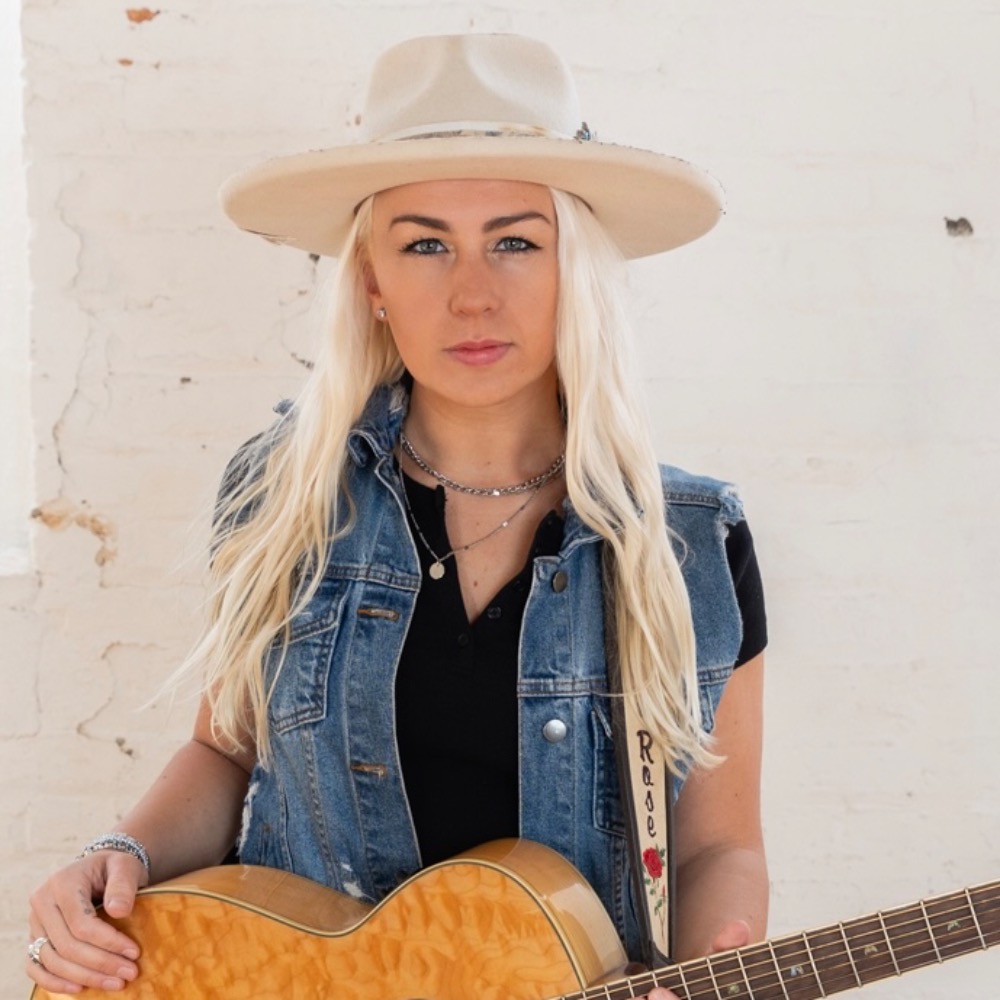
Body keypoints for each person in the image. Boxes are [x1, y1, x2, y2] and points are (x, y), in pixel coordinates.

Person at [26, 32, 768, 996]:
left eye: (516, 241)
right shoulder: (281, 492)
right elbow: (225, 748)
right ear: (372, 281)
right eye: (425, 245)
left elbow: (717, 844)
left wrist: (709, 977)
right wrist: (117, 856)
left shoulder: (690, 541)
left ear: (573, 267)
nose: (472, 295)